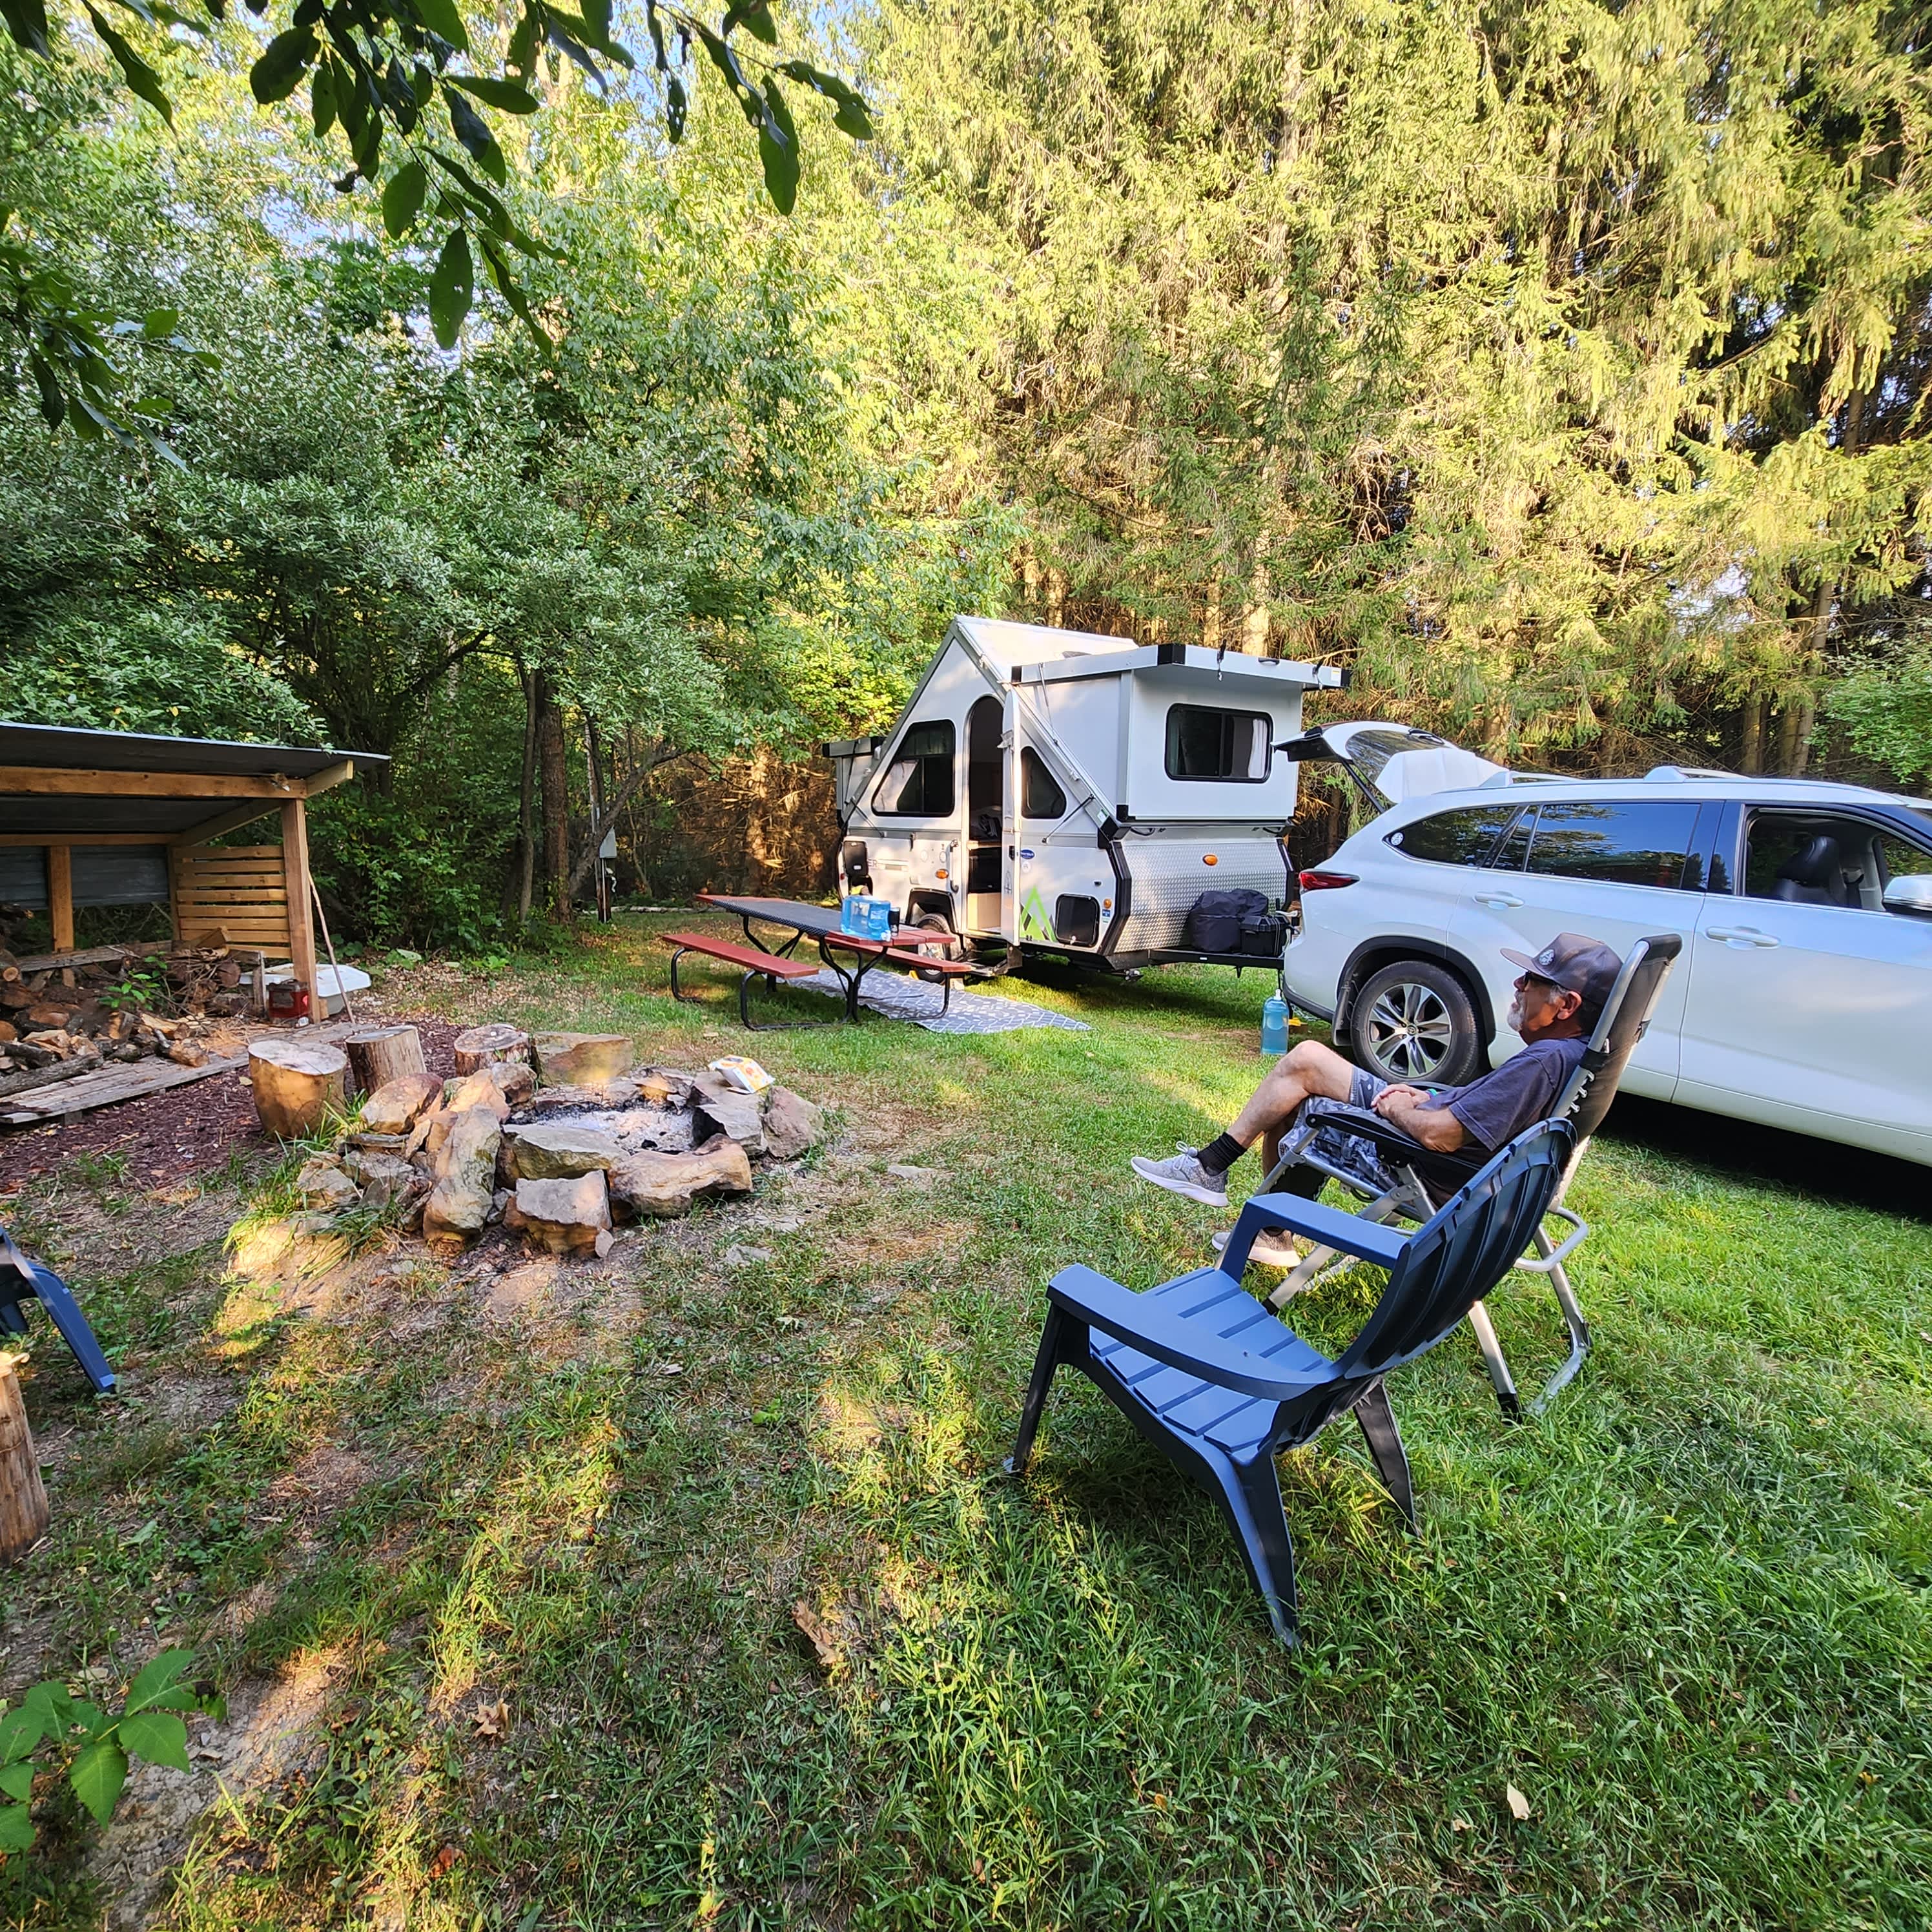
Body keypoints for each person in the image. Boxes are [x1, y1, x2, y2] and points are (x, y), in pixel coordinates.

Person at [1131, 932, 1623, 1266]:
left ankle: (1267, 1226)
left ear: (1567, 1004)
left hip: (1421, 1167)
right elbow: (1480, 1113)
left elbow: (1441, 1135)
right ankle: (1215, 1173)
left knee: (1306, 1104)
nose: (1519, 986)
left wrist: (1401, 1108)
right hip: (1451, 1150)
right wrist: (1431, 1092)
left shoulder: (1543, 1062)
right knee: (1307, 1059)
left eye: (1533, 981)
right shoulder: (1576, 1057)